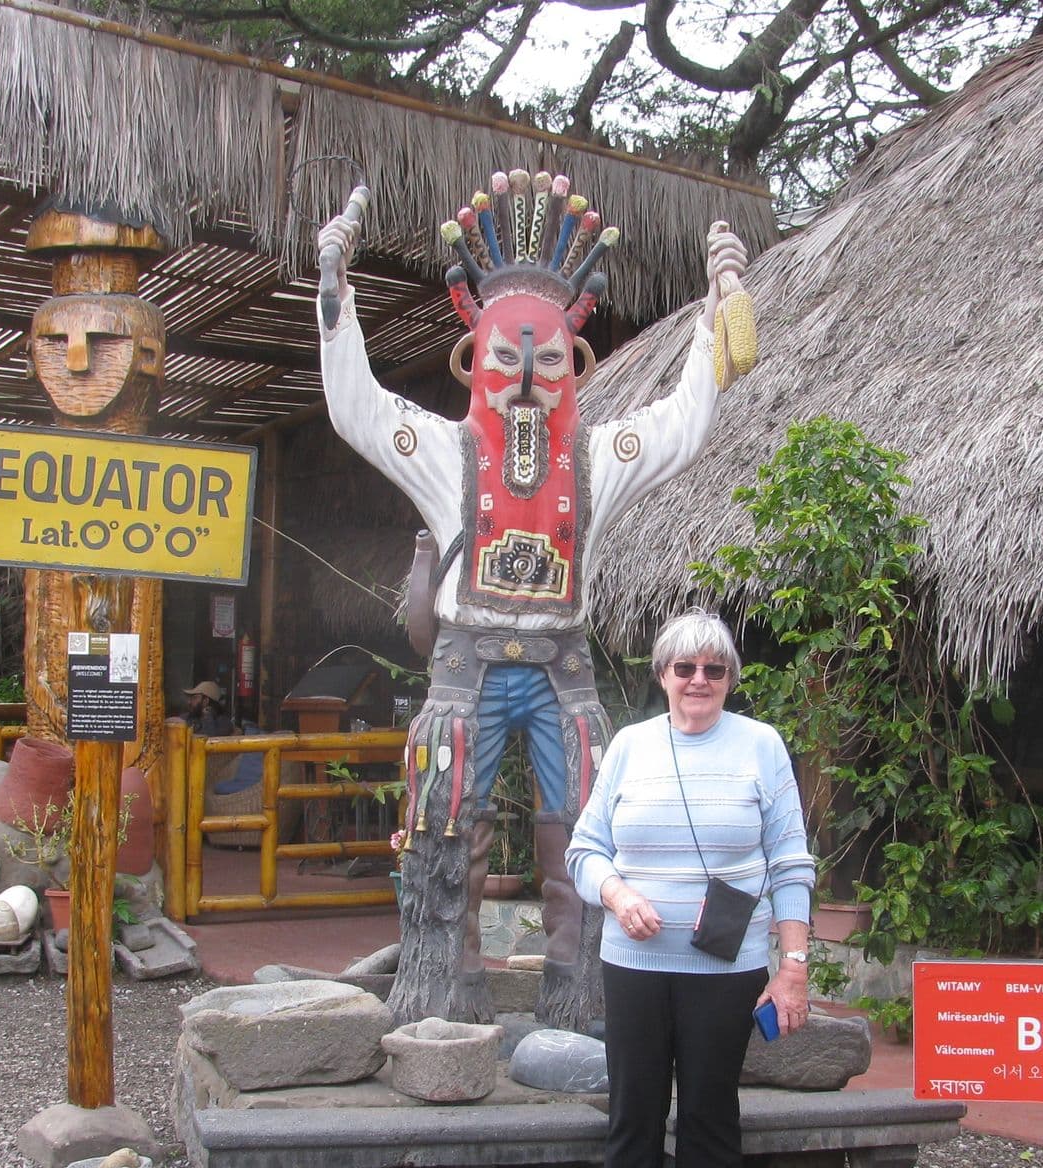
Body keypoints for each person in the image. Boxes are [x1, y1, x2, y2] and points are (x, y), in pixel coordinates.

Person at [315, 173, 754, 1031]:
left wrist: (714, 318)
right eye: (506, 360)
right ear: (474, 362)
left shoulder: (600, 457)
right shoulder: (443, 449)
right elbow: (357, 407)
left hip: (562, 665)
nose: (525, 382)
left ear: (575, 368)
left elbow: (681, 421)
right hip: (464, 664)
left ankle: (583, 995)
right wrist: (338, 302)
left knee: (586, 832)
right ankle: (442, 991)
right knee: (447, 827)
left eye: (546, 361)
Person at [543, 610, 814, 1168]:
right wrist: (616, 892)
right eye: (685, 668)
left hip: (726, 969)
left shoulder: (761, 747)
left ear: (730, 678)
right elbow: (585, 848)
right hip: (633, 961)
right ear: (661, 673)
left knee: (709, 1112)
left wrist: (794, 964)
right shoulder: (630, 747)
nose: (699, 680)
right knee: (633, 1110)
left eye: (714, 669)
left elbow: (790, 861)